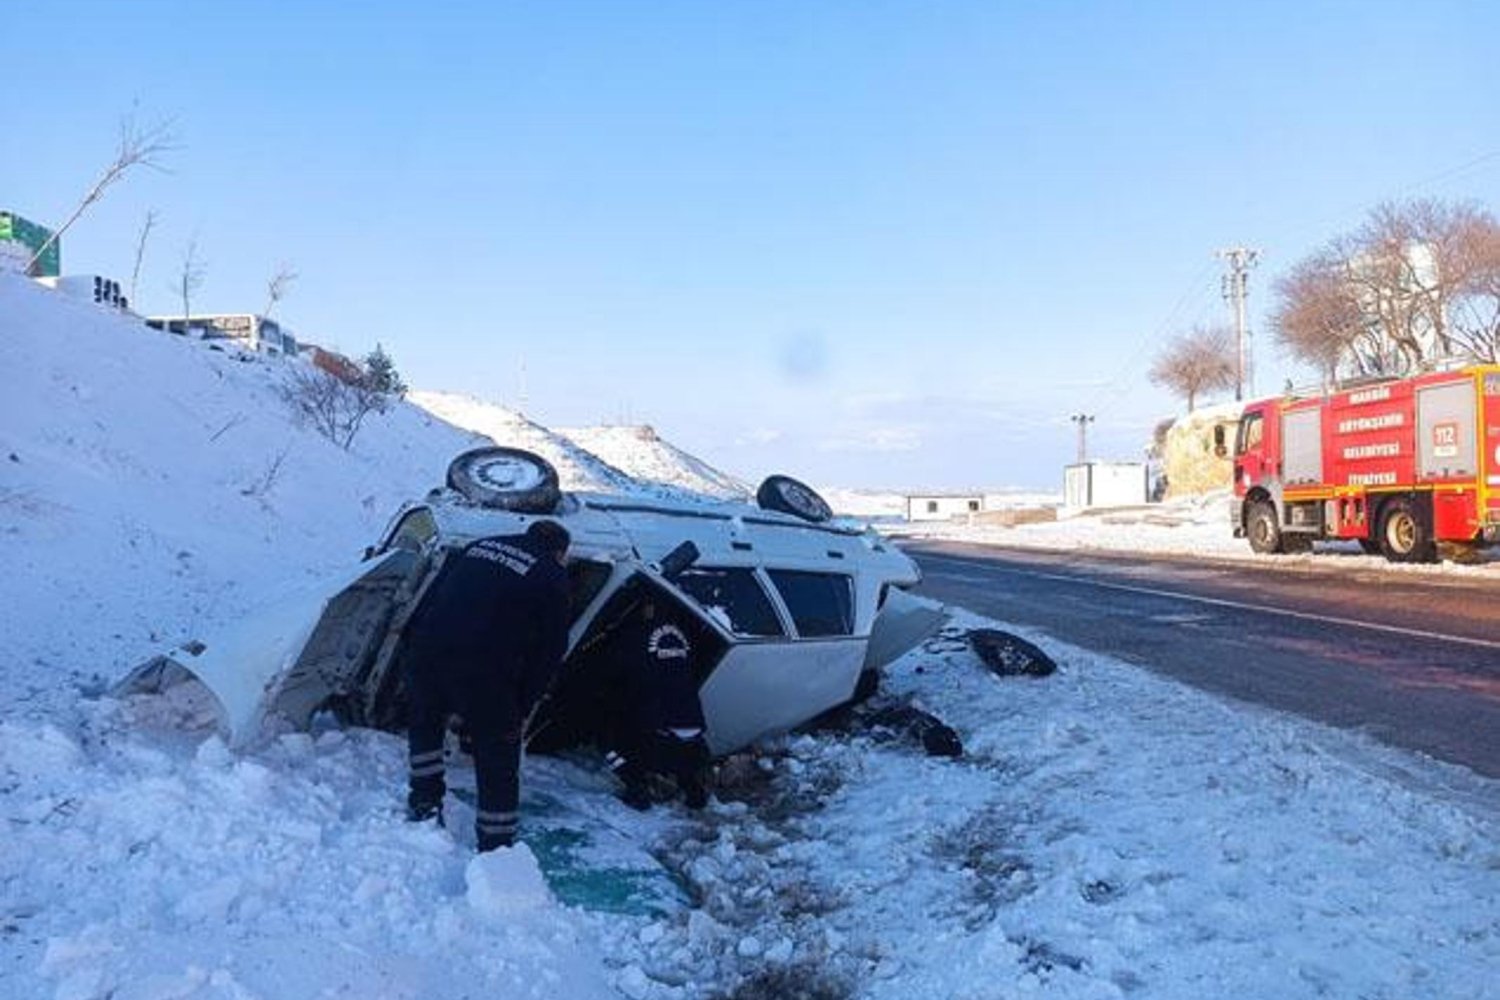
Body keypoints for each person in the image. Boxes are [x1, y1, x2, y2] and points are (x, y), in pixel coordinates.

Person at [401, 519, 571, 851]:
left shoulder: (478, 546)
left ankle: (424, 803)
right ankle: (496, 842)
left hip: (428, 650)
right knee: (497, 752)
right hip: (482, 669)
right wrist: (523, 704)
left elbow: (431, 596)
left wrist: (411, 648)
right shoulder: (551, 573)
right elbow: (550, 650)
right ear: (561, 551)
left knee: (425, 725)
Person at [603, 594, 711, 811]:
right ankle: (693, 790)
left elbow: (615, 671)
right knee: (682, 757)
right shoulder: (683, 633)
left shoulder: (636, 635)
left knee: (606, 739)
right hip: (693, 721)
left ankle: (637, 788)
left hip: (659, 726)